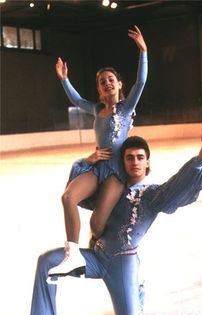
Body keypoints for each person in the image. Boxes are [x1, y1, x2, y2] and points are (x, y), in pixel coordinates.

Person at [15, 130, 202, 315]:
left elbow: (176, 187)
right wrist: (85, 161)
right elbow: (77, 194)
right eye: (129, 158)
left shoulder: (152, 195)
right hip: (94, 257)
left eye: (140, 157)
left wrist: (199, 161)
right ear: (122, 162)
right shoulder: (111, 190)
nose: (135, 162)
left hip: (122, 265)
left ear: (147, 161)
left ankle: (136, 295)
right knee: (47, 262)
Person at [48, 26, 148, 276]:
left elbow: (142, 81)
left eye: (110, 80)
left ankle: (113, 255)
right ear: (100, 90)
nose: (106, 83)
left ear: (119, 84)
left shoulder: (125, 109)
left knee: (97, 225)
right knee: (68, 197)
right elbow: (76, 100)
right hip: (96, 167)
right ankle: (72, 254)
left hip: (115, 173)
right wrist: (64, 80)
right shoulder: (96, 110)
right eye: (102, 82)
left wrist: (143, 51)